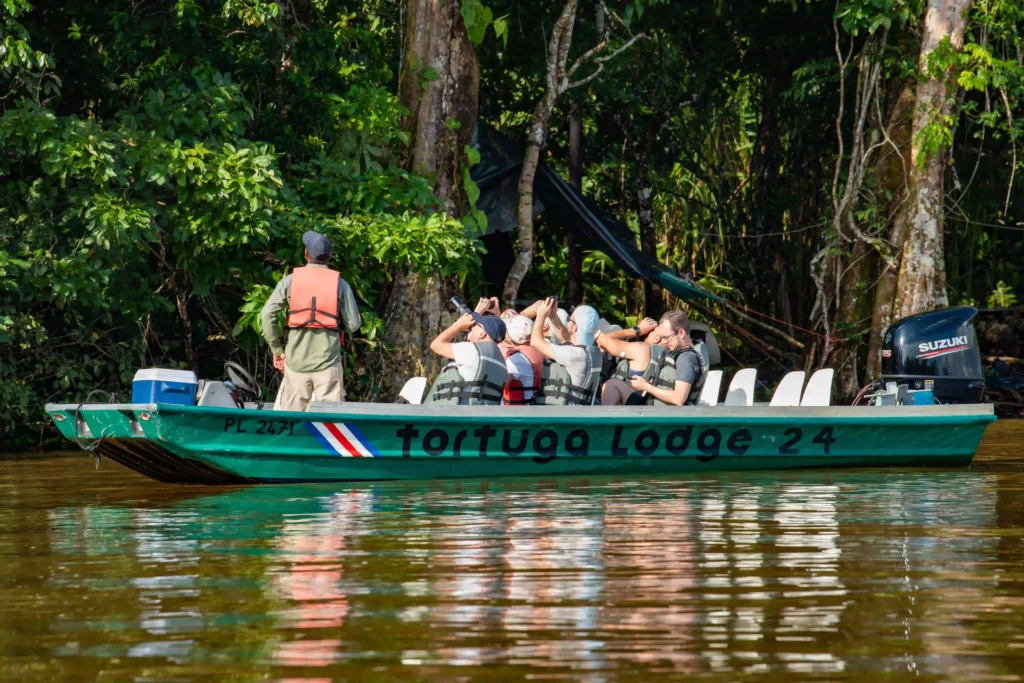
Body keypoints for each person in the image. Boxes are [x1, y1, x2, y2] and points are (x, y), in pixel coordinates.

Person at [262, 230, 362, 412]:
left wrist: (277, 350)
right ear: (329, 256)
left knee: (291, 422)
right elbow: (354, 325)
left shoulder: (290, 281)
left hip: (296, 364)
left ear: (306, 254)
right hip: (328, 364)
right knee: (330, 423)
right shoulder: (340, 283)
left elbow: (267, 315)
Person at [425, 310, 508, 405]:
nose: (471, 328)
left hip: (456, 415)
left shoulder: (473, 350)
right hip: (482, 417)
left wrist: (457, 325)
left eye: (475, 325)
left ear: (482, 333)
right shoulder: (503, 363)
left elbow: (436, 345)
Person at [530, 298, 603, 405]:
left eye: (570, 319)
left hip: (565, 417)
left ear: (576, 328)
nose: (568, 320)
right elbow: (566, 340)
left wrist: (540, 315)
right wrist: (553, 316)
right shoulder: (593, 351)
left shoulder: (574, 355)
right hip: (577, 414)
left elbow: (536, 342)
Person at [627, 310, 707, 406]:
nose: (664, 342)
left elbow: (679, 399)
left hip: (664, 417)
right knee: (613, 385)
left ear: (681, 333)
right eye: (662, 337)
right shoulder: (674, 353)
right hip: (653, 408)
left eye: (666, 337)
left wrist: (646, 386)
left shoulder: (687, 359)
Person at [595, 317, 666, 405]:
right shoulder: (662, 356)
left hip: (617, 409)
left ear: (657, 338)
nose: (646, 332)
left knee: (610, 383)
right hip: (634, 407)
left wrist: (638, 329)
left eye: (650, 330)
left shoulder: (642, 349)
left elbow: (602, 340)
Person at [502, 313, 544, 405]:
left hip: (516, 415)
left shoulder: (517, 359)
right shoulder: (538, 352)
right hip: (530, 406)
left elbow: (501, 384)